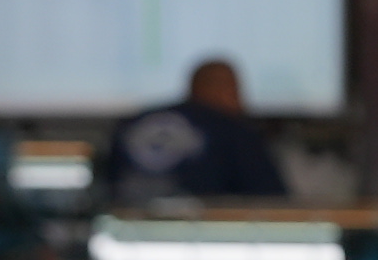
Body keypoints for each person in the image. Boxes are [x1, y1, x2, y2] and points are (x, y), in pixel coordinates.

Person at [108, 57, 292, 204]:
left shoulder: (132, 123)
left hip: (128, 231)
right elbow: (272, 203)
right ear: (226, 91)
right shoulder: (232, 130)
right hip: (202, 234)